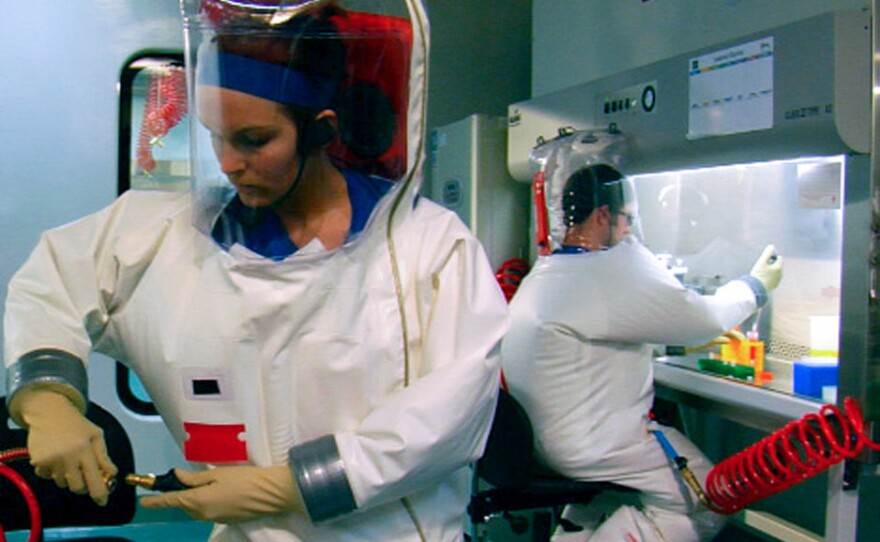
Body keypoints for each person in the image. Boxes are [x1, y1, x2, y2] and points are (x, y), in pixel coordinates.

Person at [3, 1, 509, 540]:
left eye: (253, 140)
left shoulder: (423, 245)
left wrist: (289, 486)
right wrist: (48, 400)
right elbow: (52, 282)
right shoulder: (165, 238)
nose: (226, 162)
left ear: (320, 130)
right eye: (215, 135)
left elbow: (454, 408)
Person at [501, 163, 783, 542]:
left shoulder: (553, 270)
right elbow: (702, 319)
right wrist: (754, 288)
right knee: (711, 497)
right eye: (627, 220)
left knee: (612, 493)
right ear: (603, 215)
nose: (630, 231)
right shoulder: (602, 272)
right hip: (590, 445)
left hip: (543, 442)